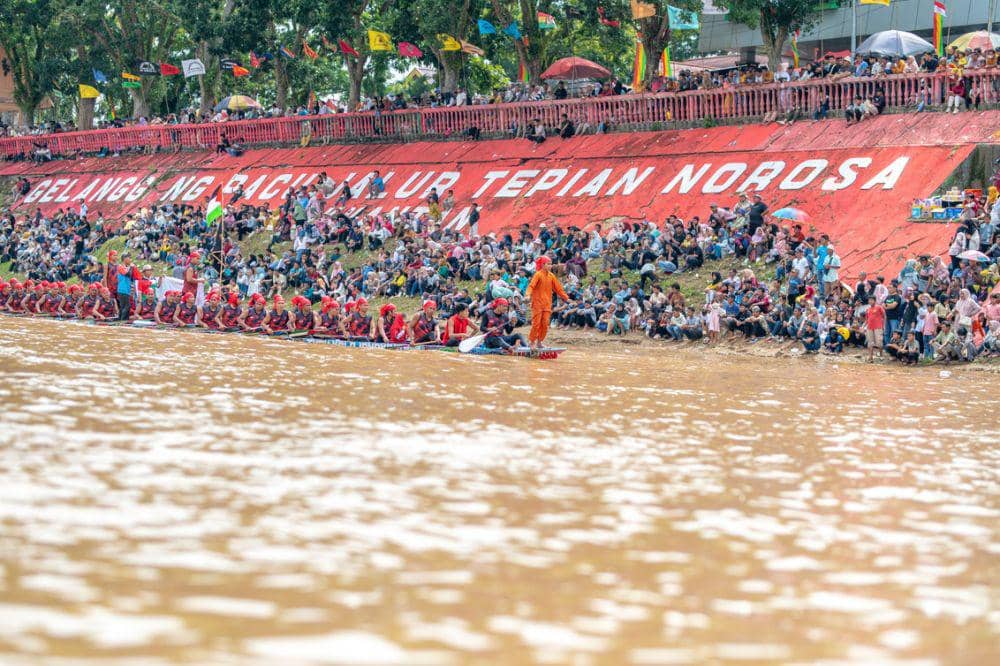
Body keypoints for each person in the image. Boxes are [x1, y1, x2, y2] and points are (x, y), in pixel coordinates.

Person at [526, 255, 569, 350]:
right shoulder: (538, 274)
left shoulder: (551, 276)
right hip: (537, 303)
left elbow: (559, 289)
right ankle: (532, 342)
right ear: (543, 265)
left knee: (545, 323)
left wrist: (567, 298)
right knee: (536, 323)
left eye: (551, 264)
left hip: (547, 304)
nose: (550, 266)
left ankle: (540, 342)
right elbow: (531, 286)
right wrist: (528, 295)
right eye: (548, 264)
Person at [115, 254, 141, 321]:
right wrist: (132, 267)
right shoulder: (120, 266)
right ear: (125, 259)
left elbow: (133, 277)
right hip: (122, 289)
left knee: (123, 306)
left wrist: (133, 268)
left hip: (126, 290)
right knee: (127, 306)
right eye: (129, 258)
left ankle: (120, 320)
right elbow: (127, 274)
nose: (130, 260)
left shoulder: (126, 267)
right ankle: (123, 321)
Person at [865, 294, 886, 362]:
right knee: (870, 343)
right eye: (869, 300)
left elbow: (884, 316)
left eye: (871, 300)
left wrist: (884, 326)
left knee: (879, 343)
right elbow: (867, 319)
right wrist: (863, 327)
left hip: (878, 327)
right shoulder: (868, 309)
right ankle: (870, 357)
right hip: (869, 327)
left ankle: (881, 354)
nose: (870, 301)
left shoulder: (879, 307)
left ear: (875, 300)